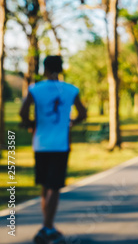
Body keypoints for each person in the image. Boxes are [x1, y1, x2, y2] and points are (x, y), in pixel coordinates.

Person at [20, 55, 87, 244]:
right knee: (55, 187)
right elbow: (83, 113)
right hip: (60, 144)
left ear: (45, 69)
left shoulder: (35, 89)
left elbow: (23, 112)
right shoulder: (71, 89)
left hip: (40, 143)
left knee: (45, 186)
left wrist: (31, 123)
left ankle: (47, 226)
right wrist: (72, 122)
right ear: (62, 68)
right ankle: (47, 227)